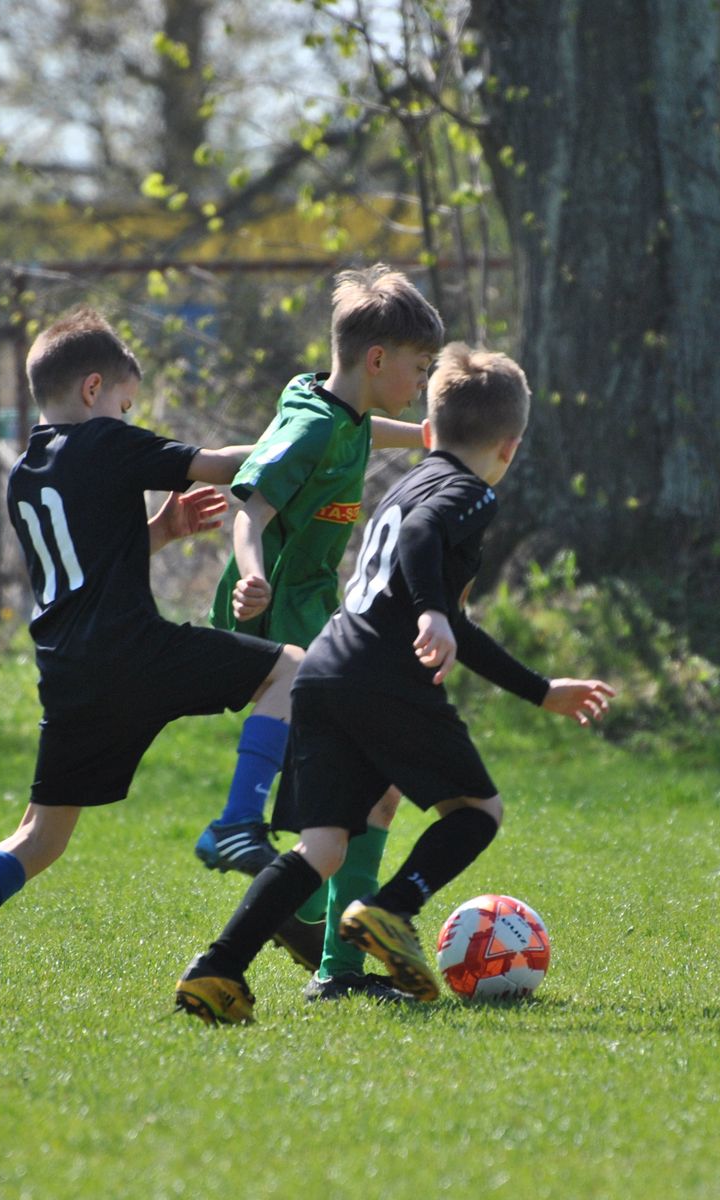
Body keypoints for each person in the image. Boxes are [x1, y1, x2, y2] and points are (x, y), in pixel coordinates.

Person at [174, 343, 616, 1024]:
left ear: (430, 433)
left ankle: (218, 970)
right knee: (477, 813)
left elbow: (448, 612)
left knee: (323, 847)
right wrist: (434, 611)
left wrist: (538, 688)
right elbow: (421, 541)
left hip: (323, 669)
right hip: (381, 673)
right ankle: (391, 909)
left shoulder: (407, 482)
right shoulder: (467, 492)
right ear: (511, 445)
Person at [0, 306, 301, 1004]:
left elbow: (83, 567)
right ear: (93, 389)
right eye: (126, 403)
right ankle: (238, 822)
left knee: (41, 837)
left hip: (70, 671)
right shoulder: (106, 442)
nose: (128, 417)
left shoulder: (25, 473)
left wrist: (159, 531)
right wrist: (306, 437)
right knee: (291, 668)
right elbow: (224, 466)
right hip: (134, 650)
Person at [192, 265, 444, 1003]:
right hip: (285, 636)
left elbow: (382, 431)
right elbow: (250, 511)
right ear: (376, 360)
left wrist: (441, 436)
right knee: (363, 794)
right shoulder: (308, 425)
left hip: (323, 627)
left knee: (373, 793)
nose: (422, 380)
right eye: (419, 369)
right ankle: (299, 912)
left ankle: (329, 953)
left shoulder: (347, 415)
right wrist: (249, 575)